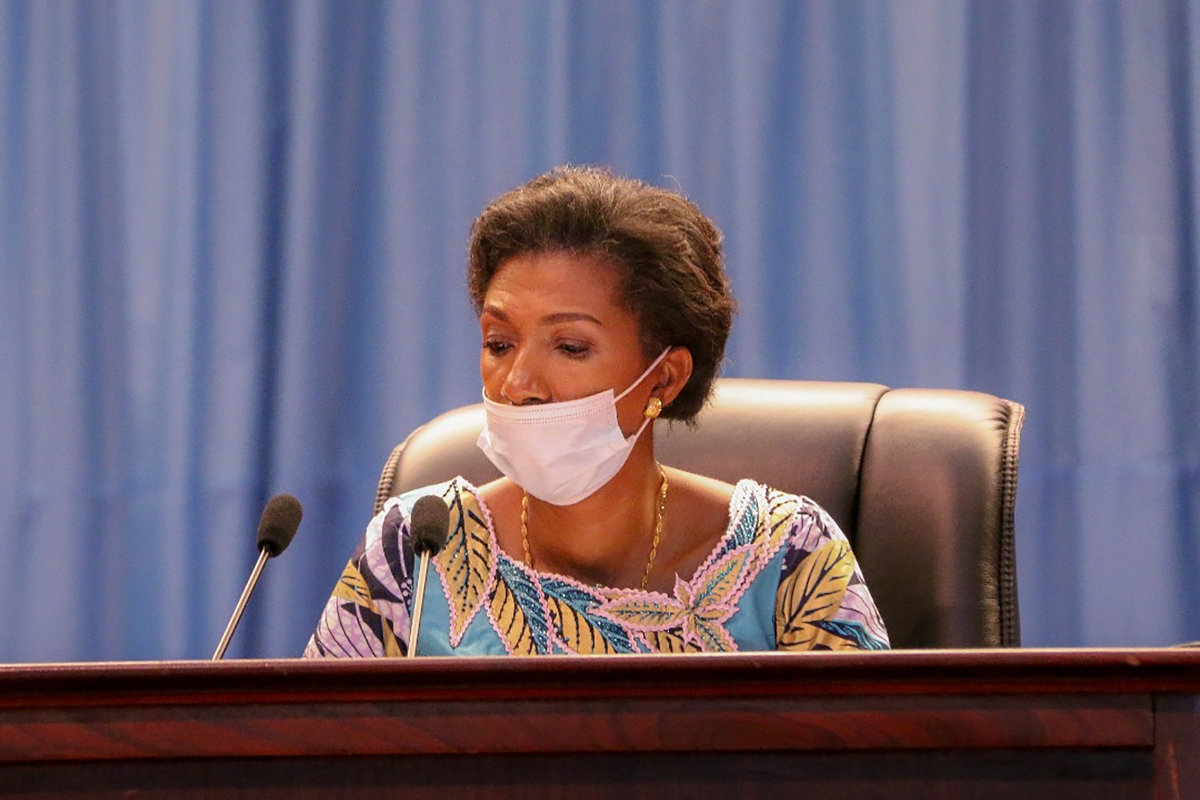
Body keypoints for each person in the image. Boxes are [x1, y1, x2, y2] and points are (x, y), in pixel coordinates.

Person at [304, 166, 889, 657]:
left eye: (571, 347)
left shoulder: (789, 553)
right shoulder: (416, 550)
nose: (518, 383)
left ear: (663, 377)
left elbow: (875, 769)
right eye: (499, 344)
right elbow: (317, 763)